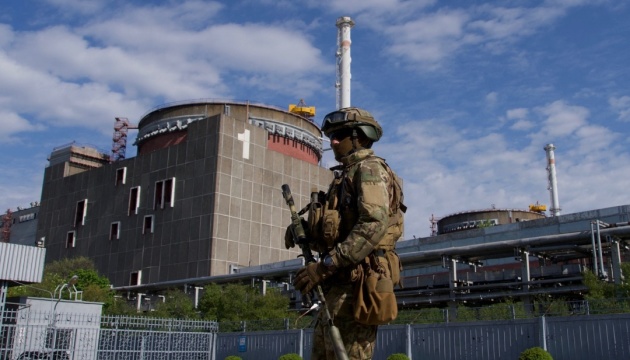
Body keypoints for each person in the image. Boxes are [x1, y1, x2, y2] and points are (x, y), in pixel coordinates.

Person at [288, 107, 405, 360]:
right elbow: (342, 229)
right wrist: (306, 231)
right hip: (338, 283)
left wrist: (325, 266)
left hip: (357, 284)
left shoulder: (369, 169)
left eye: (339, 135)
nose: (333, 142)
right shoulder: (345, 176)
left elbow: (373, 223)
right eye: (331, 136)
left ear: (359, 137)